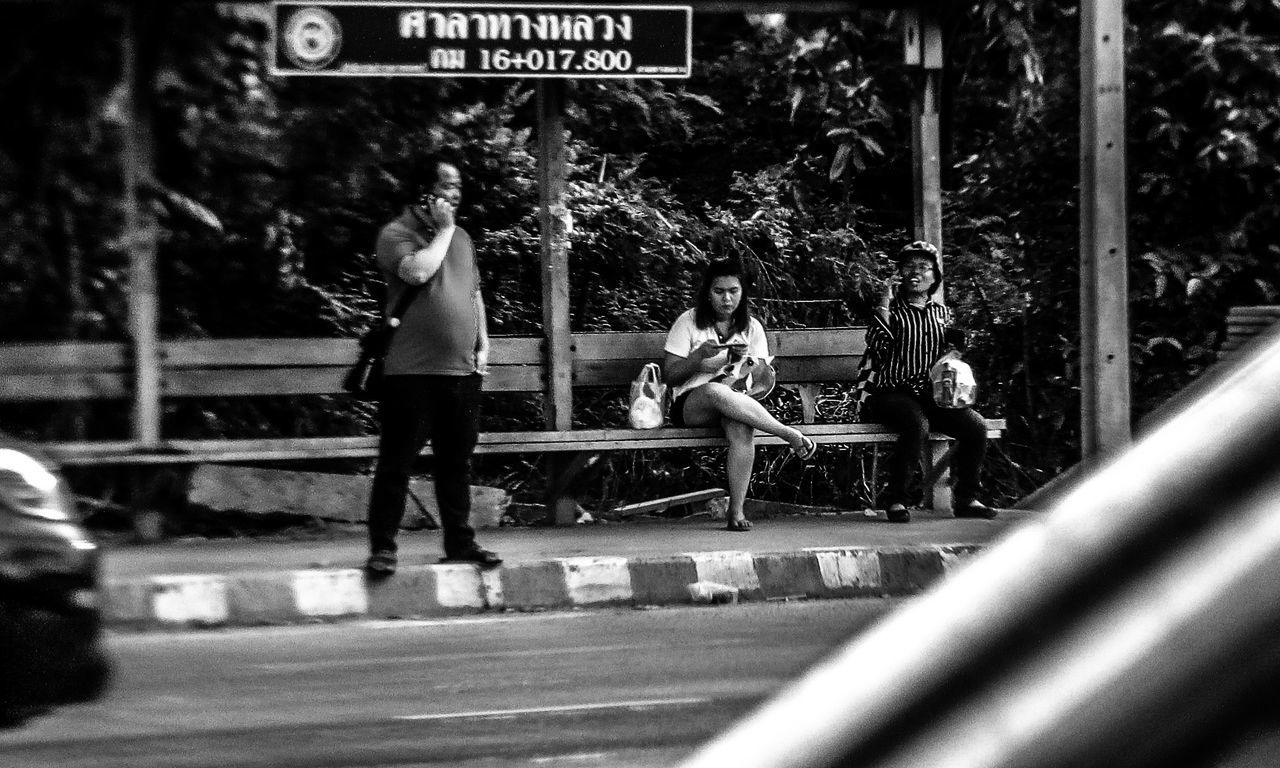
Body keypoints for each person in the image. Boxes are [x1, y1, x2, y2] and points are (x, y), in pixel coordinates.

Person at [364, 151, 501, 576]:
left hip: (461, 371)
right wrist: (442, 233)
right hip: (411, 372)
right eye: (447, 186)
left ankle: (460, 541)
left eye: (459, 187)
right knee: (397, 463)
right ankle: (383, 547)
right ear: (424, 191)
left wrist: (483, 342)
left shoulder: (461, 238)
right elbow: (417, 273)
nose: (455, 195)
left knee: (456, 462)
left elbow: (474, 293)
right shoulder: (395, 233)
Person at [663, 258, 818, 531]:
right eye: (718, 291)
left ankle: (736, 511)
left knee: (742, 428)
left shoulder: (752, 327)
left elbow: (761, 380)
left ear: (742, 292)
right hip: (692, 405)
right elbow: (670, 376)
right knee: (713, 389)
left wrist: (750, 371)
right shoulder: (688, 322)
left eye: (733, 291)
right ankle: (786, 433)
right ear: (707, 293)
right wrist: (699, 359)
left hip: (736, 402)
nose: (726, 299)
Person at [864, 240, 996, 523]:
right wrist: (883, 303)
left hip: (931, 395)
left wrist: (955, 352)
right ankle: (897, 499)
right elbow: (878, 346)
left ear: (935, 276)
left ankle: (967, 498)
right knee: (916, 423)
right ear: (899, 275)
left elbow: (948, 358)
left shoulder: (942, 313)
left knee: (975, 426)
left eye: (924, 267)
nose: (916, 273)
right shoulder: (891, 310)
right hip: (891, 393)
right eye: (909, 267)